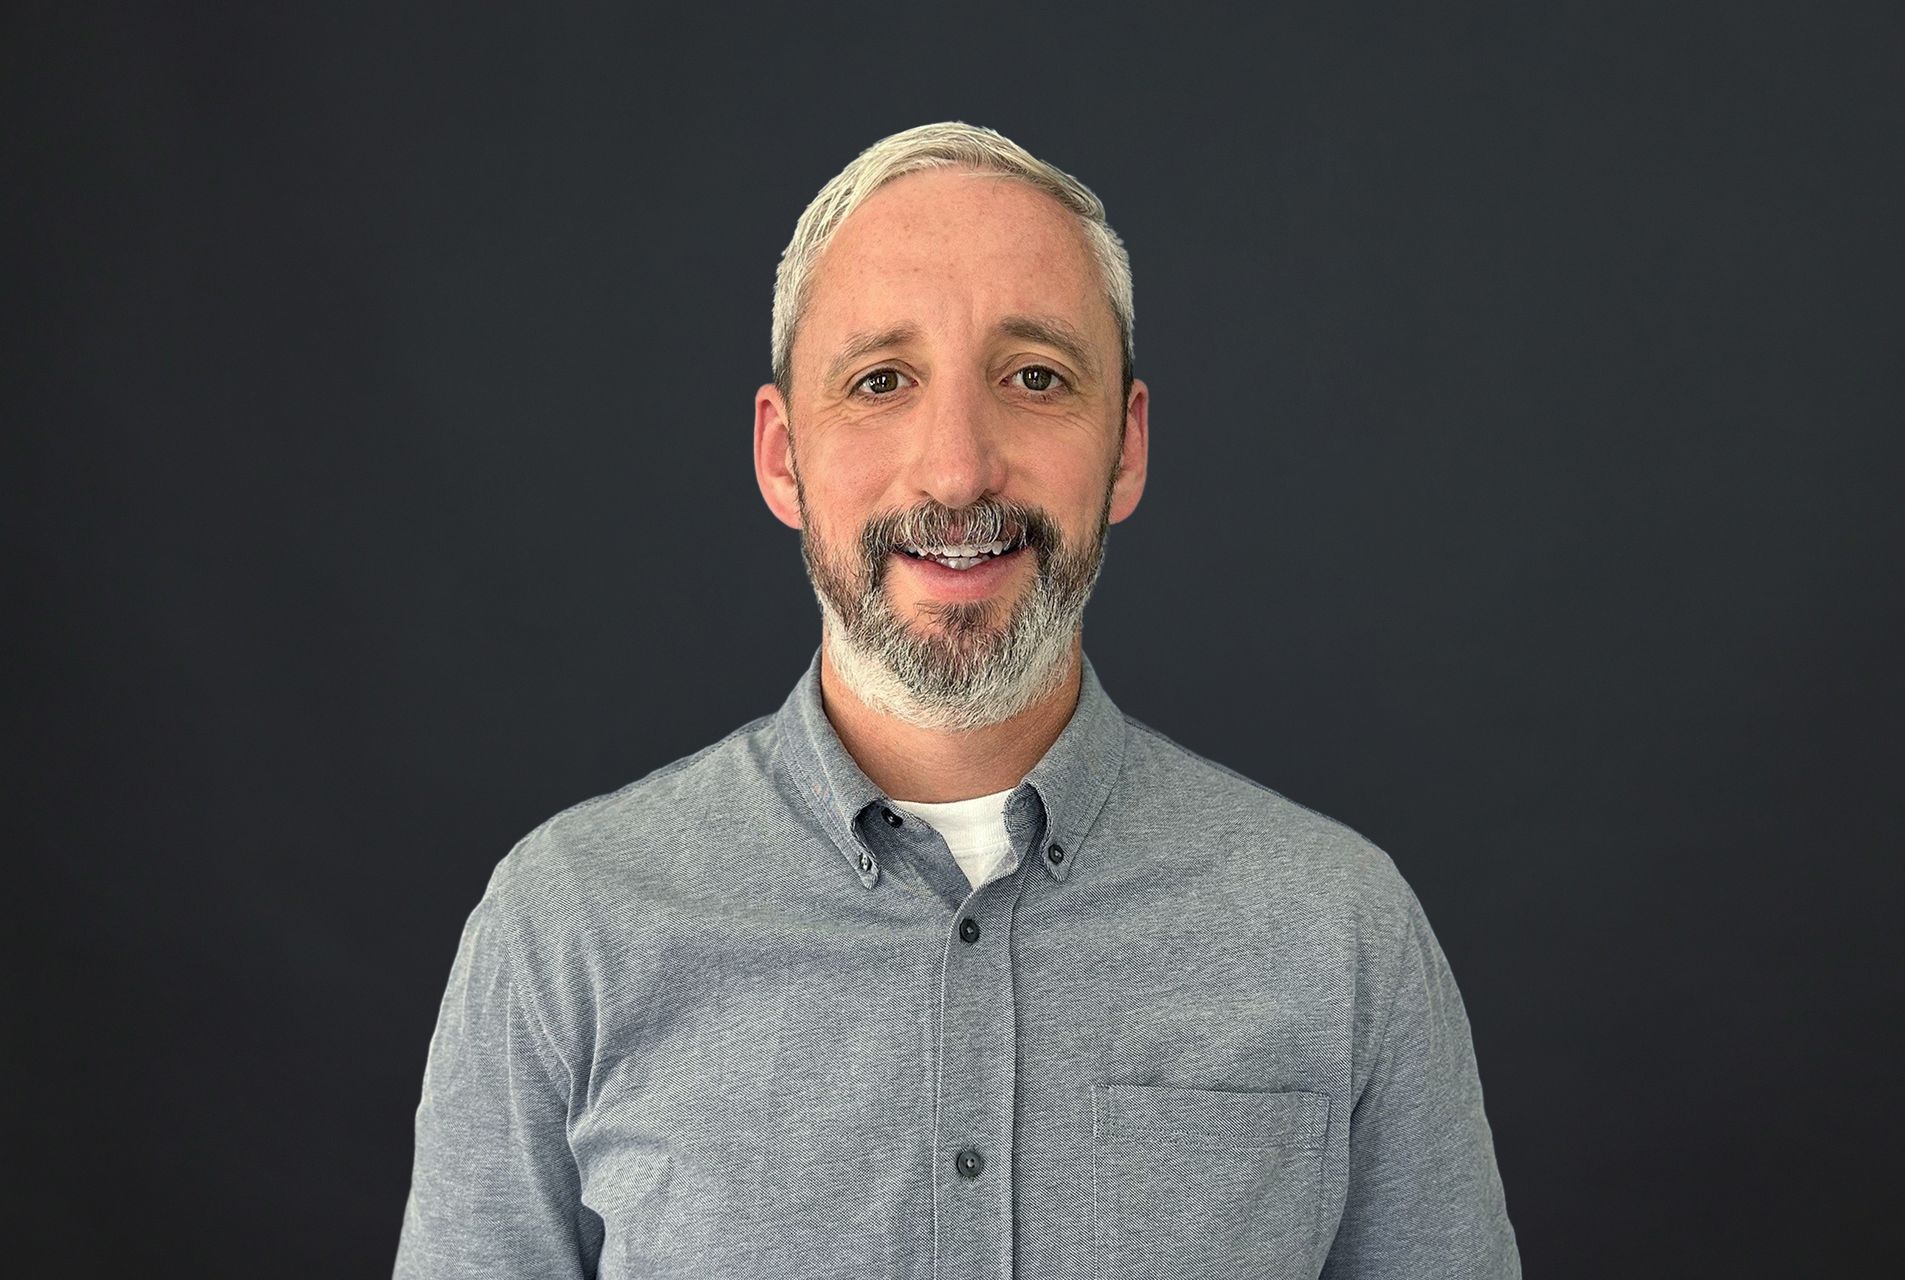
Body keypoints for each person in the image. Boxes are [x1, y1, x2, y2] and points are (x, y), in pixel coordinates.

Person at [393, 120, 1521, 1279]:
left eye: (1035, 377)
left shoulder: (1338, 933)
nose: (957, 469)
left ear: (1125, 446)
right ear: (783, 456)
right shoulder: (566, 930)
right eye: (882, 382)